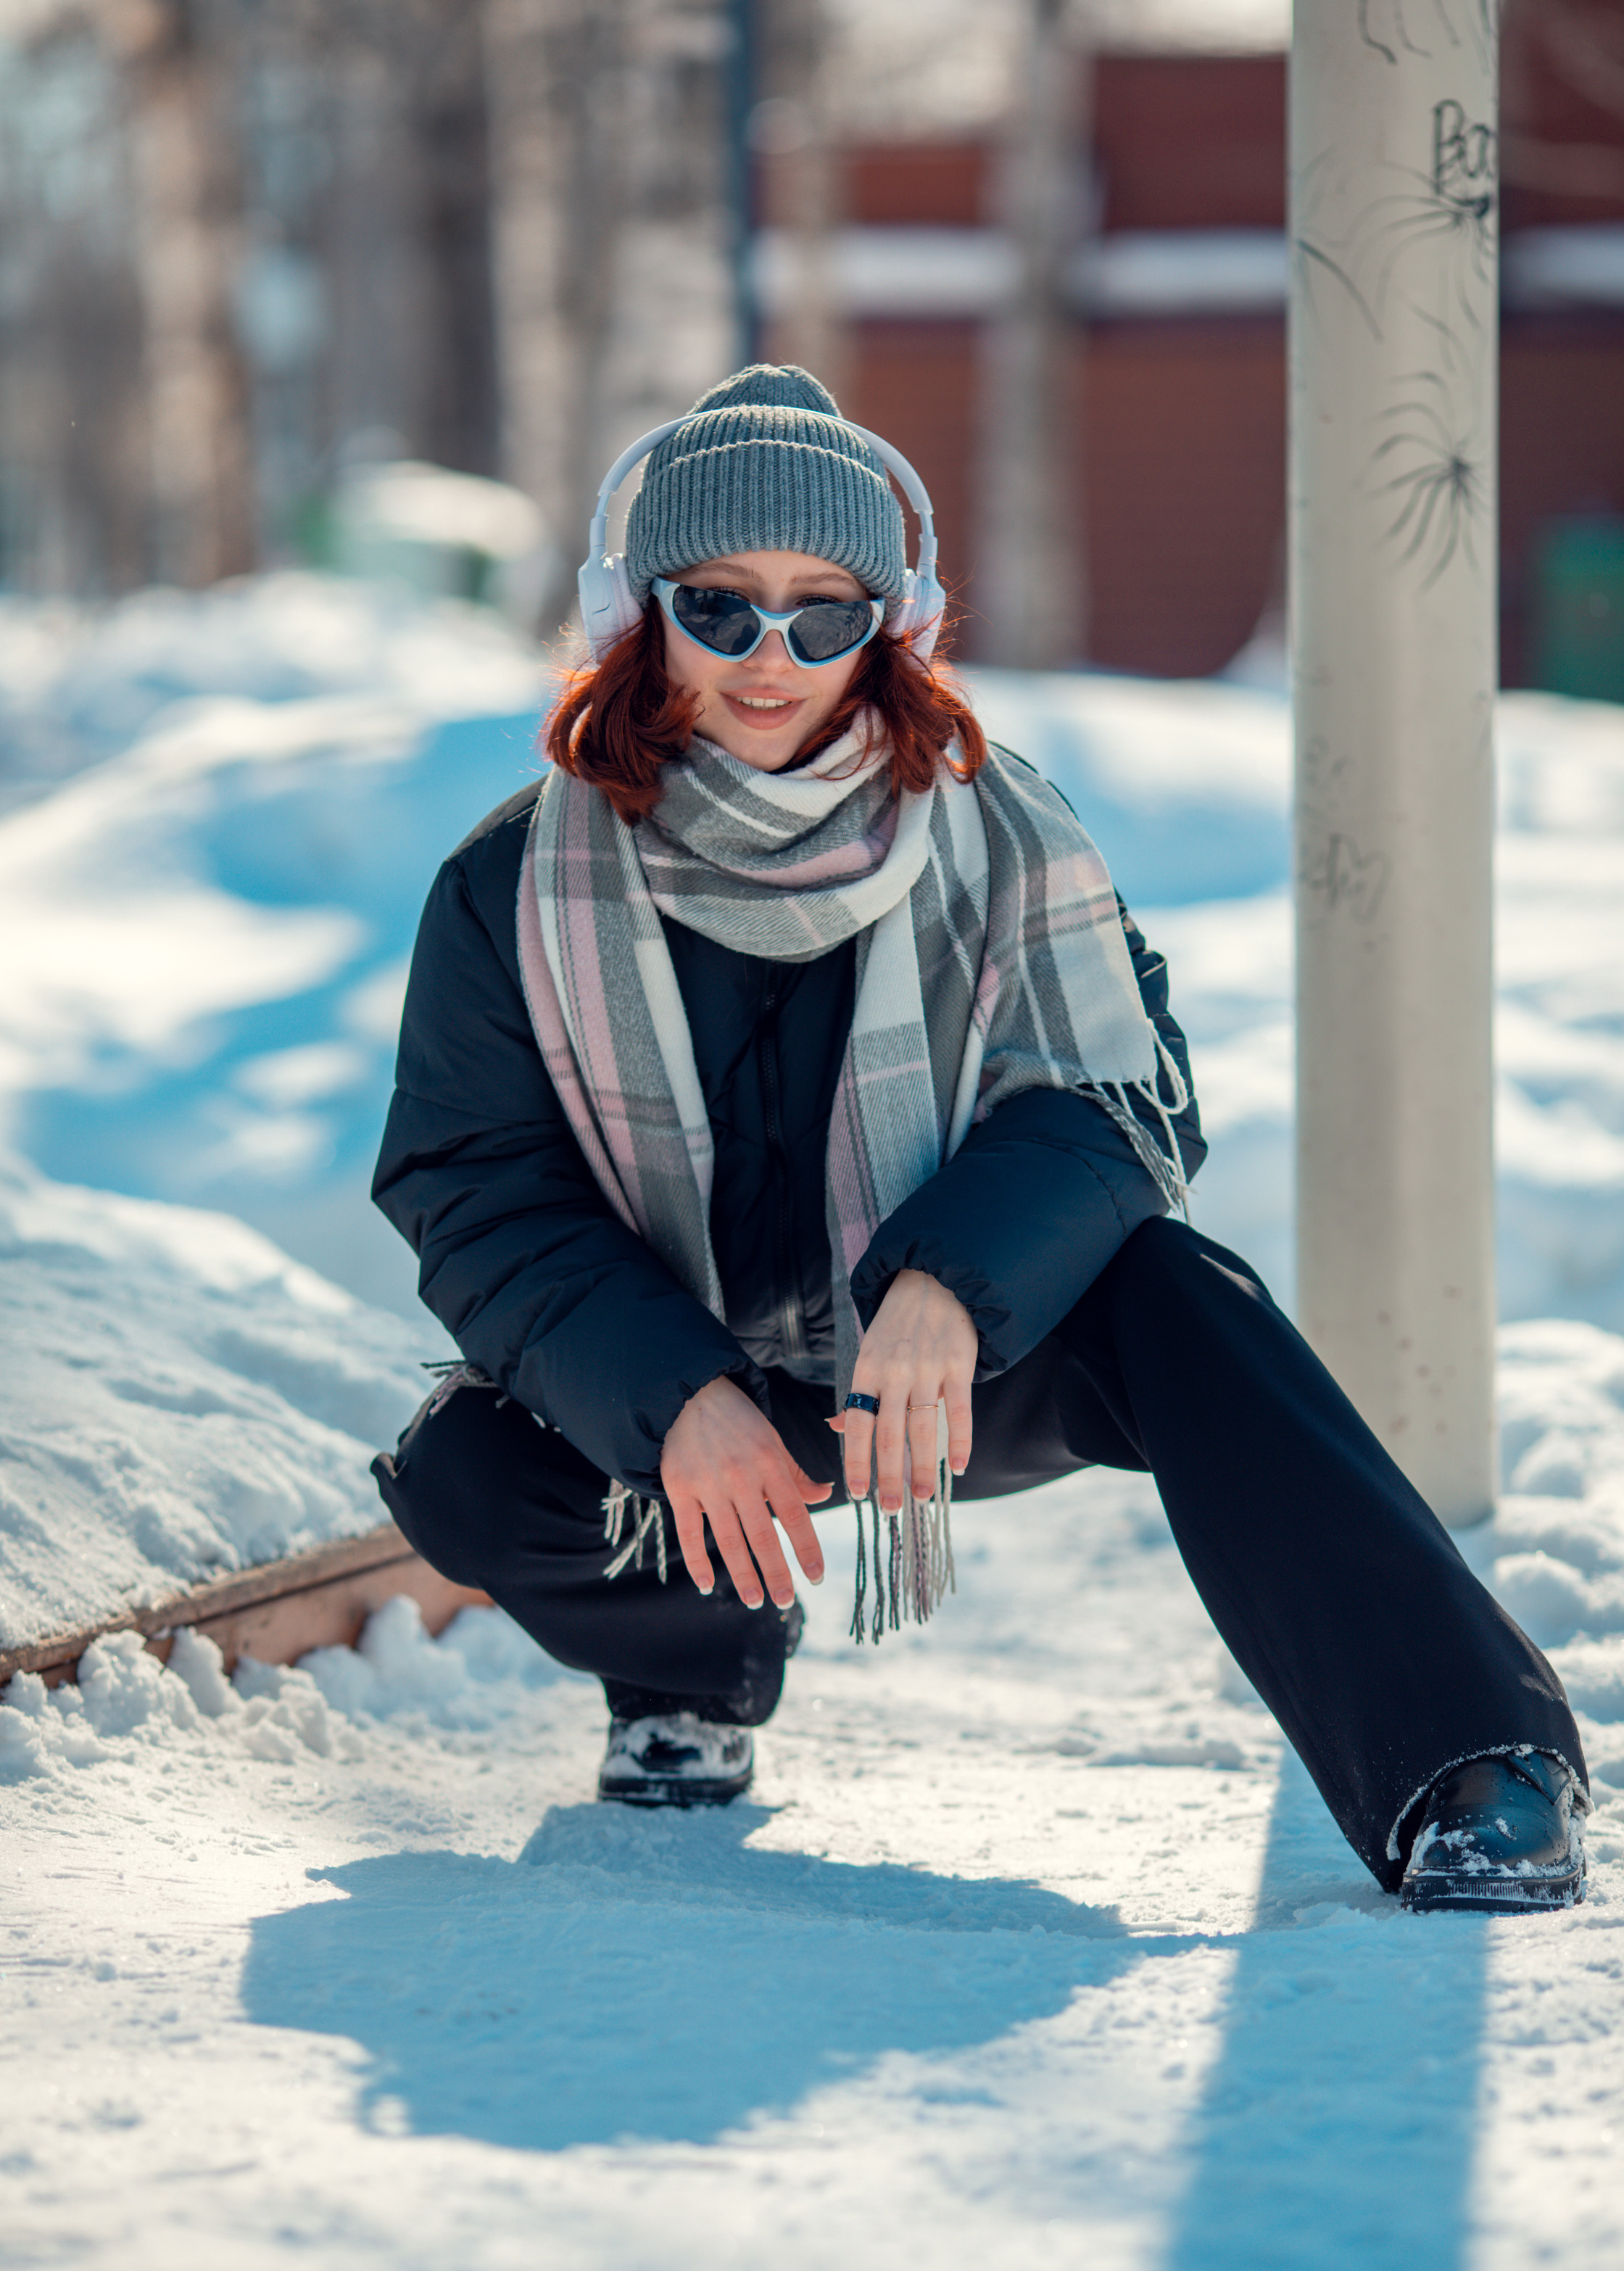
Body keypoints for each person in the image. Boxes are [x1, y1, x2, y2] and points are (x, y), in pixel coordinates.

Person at [372, 363, 1588, 1914]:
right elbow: (473, 1187)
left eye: (825, 612)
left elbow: (1125, 1097)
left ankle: (1462, 1758)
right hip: (699, 1390)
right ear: (641, 611)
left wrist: (950, 1282)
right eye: (721, 606)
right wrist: (670, 1393)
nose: (772, 657)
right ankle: (696, 1665)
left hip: (945, 1369)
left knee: (1182, 1300)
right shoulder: (511, 886)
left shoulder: (1002, 830)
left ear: (887, 624)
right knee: (465, 1470)